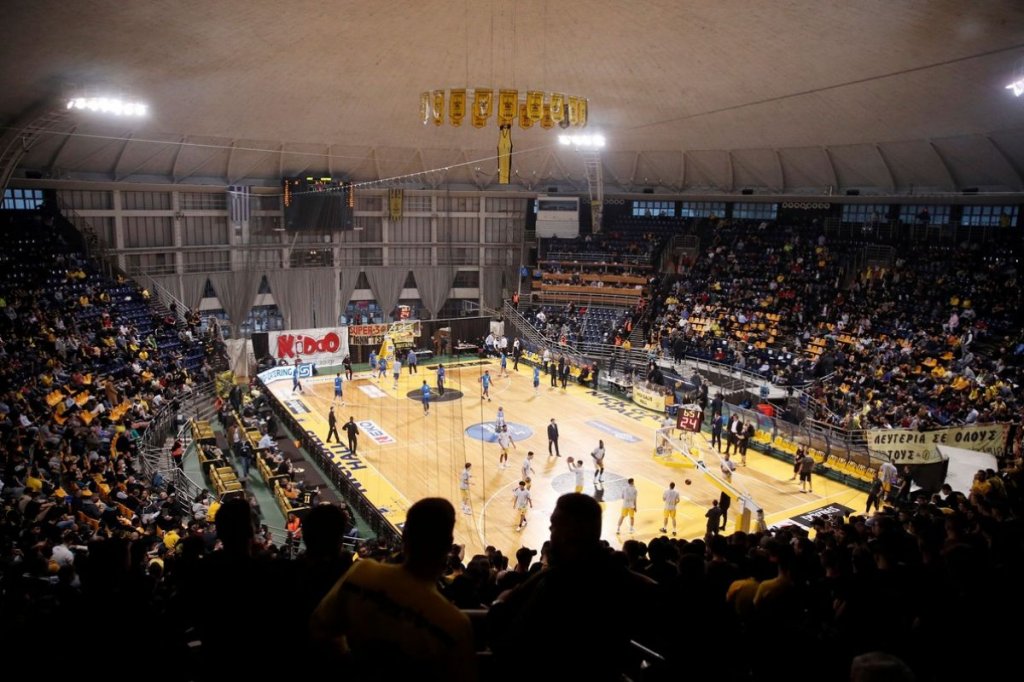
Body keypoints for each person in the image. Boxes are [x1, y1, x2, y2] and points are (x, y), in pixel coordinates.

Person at [488, 494, 657, 681]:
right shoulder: (635, 584)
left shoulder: (553, 583)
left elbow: (507, 647)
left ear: (569, 534)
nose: (550, 529)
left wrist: (498, 604)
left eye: (554, 524)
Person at [311, 498, 477, 682]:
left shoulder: (362, 572)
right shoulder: (456, 624)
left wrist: (350, 665)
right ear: (449, 546)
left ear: (404, 535)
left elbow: (319, 627)